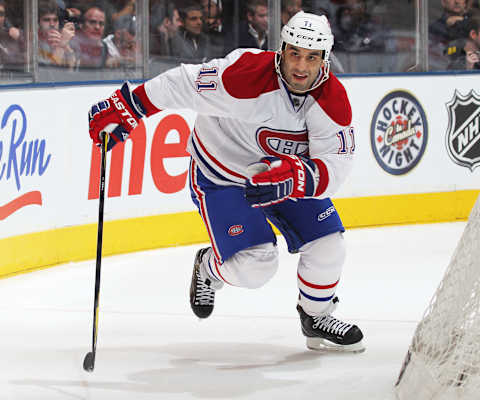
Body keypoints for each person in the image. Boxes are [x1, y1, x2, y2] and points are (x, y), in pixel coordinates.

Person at [87, 11, 364, 353]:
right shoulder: (243, 75)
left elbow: (337, 164)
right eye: (294, 53)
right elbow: (183, 83)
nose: (301, 66)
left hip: (287, 178)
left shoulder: (332, 99)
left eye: (311, 57)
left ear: (324, 59)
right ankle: (208, 267)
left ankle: (316, 315)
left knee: (329, 245)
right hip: (223, 175)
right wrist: (131, 104)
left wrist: (298, 177)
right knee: (256, 267)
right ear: (281, 50)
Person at [429, 0, 474, 70]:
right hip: (448, 72)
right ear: (443, 2)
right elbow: (443, 53)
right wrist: (460, 46)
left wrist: (465, 22)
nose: (457, 1)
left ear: (465, 3)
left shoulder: (474, 22)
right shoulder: (436, 27)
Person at [38, 1, 76, 68]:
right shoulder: (32, 43)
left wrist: (66, 47)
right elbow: (49, 73)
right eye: (47, 20)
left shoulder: (66, 39)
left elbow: (73, 70)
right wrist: (60, 46)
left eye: (55, 20)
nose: (52, 24)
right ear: (38, 22)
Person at [0, 0, 24, 71]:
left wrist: (20, 39)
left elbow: (31, 59)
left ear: (5, 17)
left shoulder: (15, 36)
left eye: (0, 14)